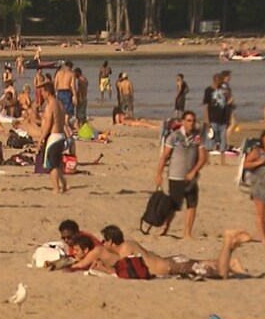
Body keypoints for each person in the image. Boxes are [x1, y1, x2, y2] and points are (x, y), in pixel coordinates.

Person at [95, 226, 254, 279]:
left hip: (170, 266)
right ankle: (233, 262)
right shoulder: (129, 245)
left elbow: (127, 273)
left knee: (221, 274)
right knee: (204, 265)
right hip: (172, 262)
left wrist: (103, 270)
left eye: (104, 241)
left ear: (110, 241)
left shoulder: (124, 249)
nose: (103, 244)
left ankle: (228, 243)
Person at [155, 111, 208, 239]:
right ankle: (164, 227)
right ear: (183, 122)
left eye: (193, 121)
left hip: (191, 177)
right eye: (189, 120)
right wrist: (159, 174)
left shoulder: (197, 137)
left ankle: (187, 233)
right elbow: (164, 157)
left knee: (192, 204)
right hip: (175, 176)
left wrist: (194, 171)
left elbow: (202, 157)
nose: (192, 123)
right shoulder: (174, 137)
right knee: (173, 205)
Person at [37, 83, 67, 194]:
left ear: (47, 92)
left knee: (52, 166)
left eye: (43, 92)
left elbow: (48, 124)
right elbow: (63, 121)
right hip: (61, 136)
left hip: (53, 138)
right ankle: (63, 184)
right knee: (57, 163)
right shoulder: (59, 103)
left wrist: (41, 139)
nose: (42, 94)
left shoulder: (50, 106)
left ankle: (56, 188)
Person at [202, 72, 229, 161]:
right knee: (210, 139)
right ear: (215, 80)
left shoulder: (224, 90)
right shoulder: (208, 90)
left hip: (223, 119)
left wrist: (228, 118)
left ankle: (222, 160)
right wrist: (207, 121)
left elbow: (226, 105)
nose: (221, 83)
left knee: (223, 140)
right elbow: (206, 106)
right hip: (212, 119)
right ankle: (208, 160)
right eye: (219, 81)